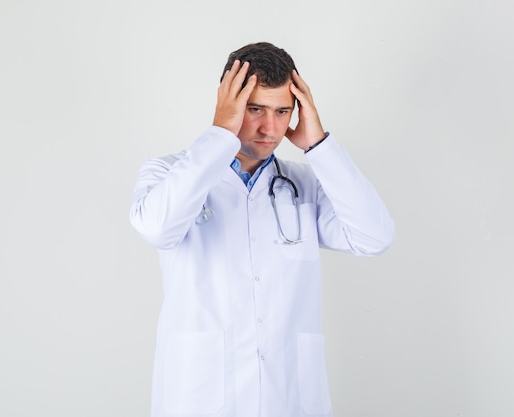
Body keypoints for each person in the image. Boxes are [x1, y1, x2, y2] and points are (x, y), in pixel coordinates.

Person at [130, 42, 395, 417]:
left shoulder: (304, 184)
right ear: (228, 103)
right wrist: (220, 134)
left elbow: (375, 237)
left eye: (282, 111)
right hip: (201, 399)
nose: (270, 128)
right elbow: (158, 229)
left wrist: (319, 146)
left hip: (289, 398)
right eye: (255, 109)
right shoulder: (169, 174)